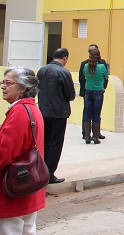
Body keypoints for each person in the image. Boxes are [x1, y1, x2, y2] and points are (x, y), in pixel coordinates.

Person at [0, 67, 45, 234]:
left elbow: (7, 152)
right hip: (26, 184)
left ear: (22, 87)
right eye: (3, 82)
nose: (3, 86)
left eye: (8, 83)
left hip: (13, 187)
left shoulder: (20, 112)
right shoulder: (31, 109)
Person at [37, 48, 75, 184]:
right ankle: (49, 173)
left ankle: (41, 171)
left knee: (44, 142)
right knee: (55, 144)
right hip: (58, 113)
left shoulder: (42, 70)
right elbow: (70, 94)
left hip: (43, 111)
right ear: (64, 58)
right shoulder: (64, 72)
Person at [79, 44, 109, 139]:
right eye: (89, 51)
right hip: (91, 91)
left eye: (93, 50)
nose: (91, 52)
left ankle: (95, 133)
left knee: (94, 113)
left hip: (91, 91)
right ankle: (86, 134)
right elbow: (81, 79)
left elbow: (105, 78)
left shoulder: (101, 63)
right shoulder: (84, 64)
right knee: (90, 113)